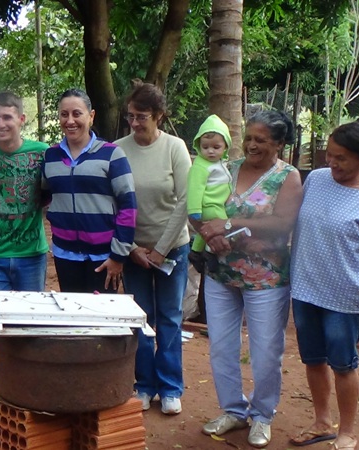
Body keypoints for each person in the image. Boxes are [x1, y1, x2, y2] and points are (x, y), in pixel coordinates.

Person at [288, 120, 359, 450]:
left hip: (346, 297)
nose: (332, 164)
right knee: (313, 359)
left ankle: (347, 430)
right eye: (330, 155)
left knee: (343, 363)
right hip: (306, 288)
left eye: (342, 158)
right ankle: (322, 421)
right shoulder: (318, 180)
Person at [196, 110, 303, 448]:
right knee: (222, 347)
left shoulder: (287, 177)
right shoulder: (226, 168)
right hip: (220, 272)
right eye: (249, 138)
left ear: (279, 144)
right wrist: (209, 235)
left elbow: (282, 222)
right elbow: (202, 206)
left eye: (261, 140)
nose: (252, 145)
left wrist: (228, 225)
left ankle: (262, 415)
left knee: (266, 350)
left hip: (266, 278)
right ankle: (233, 409)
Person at [0, 92, 49, 433]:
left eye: (7, 117)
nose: (1, 124)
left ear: (21, 119)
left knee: (31, 326)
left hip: (32, 253)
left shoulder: (42, 154)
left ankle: (30, 393)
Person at [114, 81, 192, 416]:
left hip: (172, 248)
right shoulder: (117, 149)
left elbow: (186, 201)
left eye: (142, 116)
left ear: (158, 115)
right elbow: (113, 203)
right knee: (139, 318)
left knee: (170, 318)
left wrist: (161, 249)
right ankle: (143, 384)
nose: (135, 122)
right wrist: (131, 248)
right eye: (130, 116)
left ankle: (171, 386)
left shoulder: (175, 148)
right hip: (133, 250)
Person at [42, 88, 137, 294]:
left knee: (101, 321)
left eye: (77, 114)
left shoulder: (112, 155)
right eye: (64, 114)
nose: (70, 121)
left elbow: (128, 207)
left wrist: (118, 256)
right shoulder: (50, 156)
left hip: (104, 257)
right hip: (65, 255)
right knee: (73, 319)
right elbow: (47, 195)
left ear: (91, 116)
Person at [187, 114, 233, 273]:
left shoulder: (220, 163)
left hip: (216, 203)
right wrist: (194, 210)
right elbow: (194, 188)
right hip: (209, 205)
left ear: (226, 146)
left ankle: (195, 252)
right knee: (222, 225)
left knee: (206, 229)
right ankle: (210, 252)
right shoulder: (201, 165)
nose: (210, 151)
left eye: (216, 147)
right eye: (205, 147)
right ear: (199, 146)